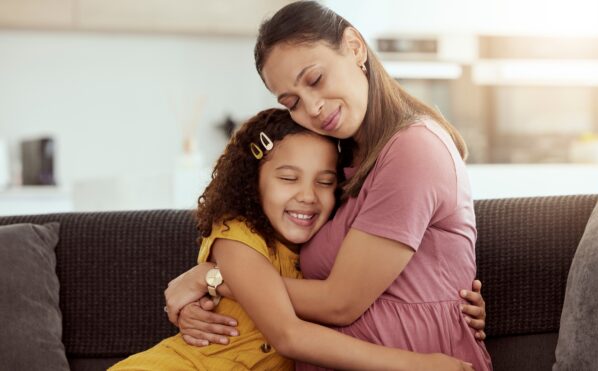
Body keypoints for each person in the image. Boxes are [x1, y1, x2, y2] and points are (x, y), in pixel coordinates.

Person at [168, 1, 492, 369]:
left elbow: (340, 301)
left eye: (315, 80)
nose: (313, 107)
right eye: (292, 102)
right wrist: (223, 283)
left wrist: (215, 279)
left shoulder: (412, 149)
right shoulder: (340, 164)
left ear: (354, 47)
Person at [110, 108, 474, 370]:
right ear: (254, 183)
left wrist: (460, 305)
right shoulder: (236, 235)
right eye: (288, 178)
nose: (307, 196)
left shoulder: (322, 253)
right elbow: (289, 336)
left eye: (325, 181)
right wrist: (420, 365)